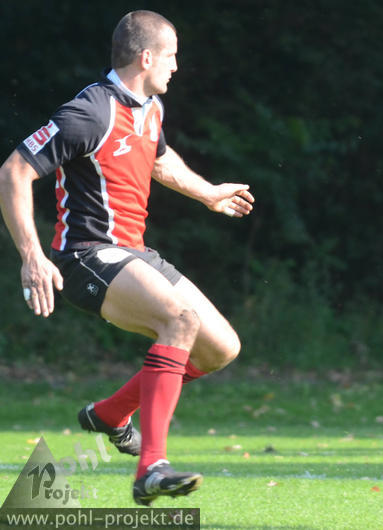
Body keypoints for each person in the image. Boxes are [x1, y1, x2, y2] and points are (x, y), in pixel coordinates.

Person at [0, 10, 254, 506]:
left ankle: (110, 414)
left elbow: (159, 159)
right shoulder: (90, 111)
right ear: (147, 57)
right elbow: (13, 172)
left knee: (221, 348)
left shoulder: (151, 107)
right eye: (172, 55)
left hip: (133, 253)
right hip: (85, 257)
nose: (177, 66)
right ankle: (151, 468)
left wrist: (208, 193)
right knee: (180, 320)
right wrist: (31, 254)